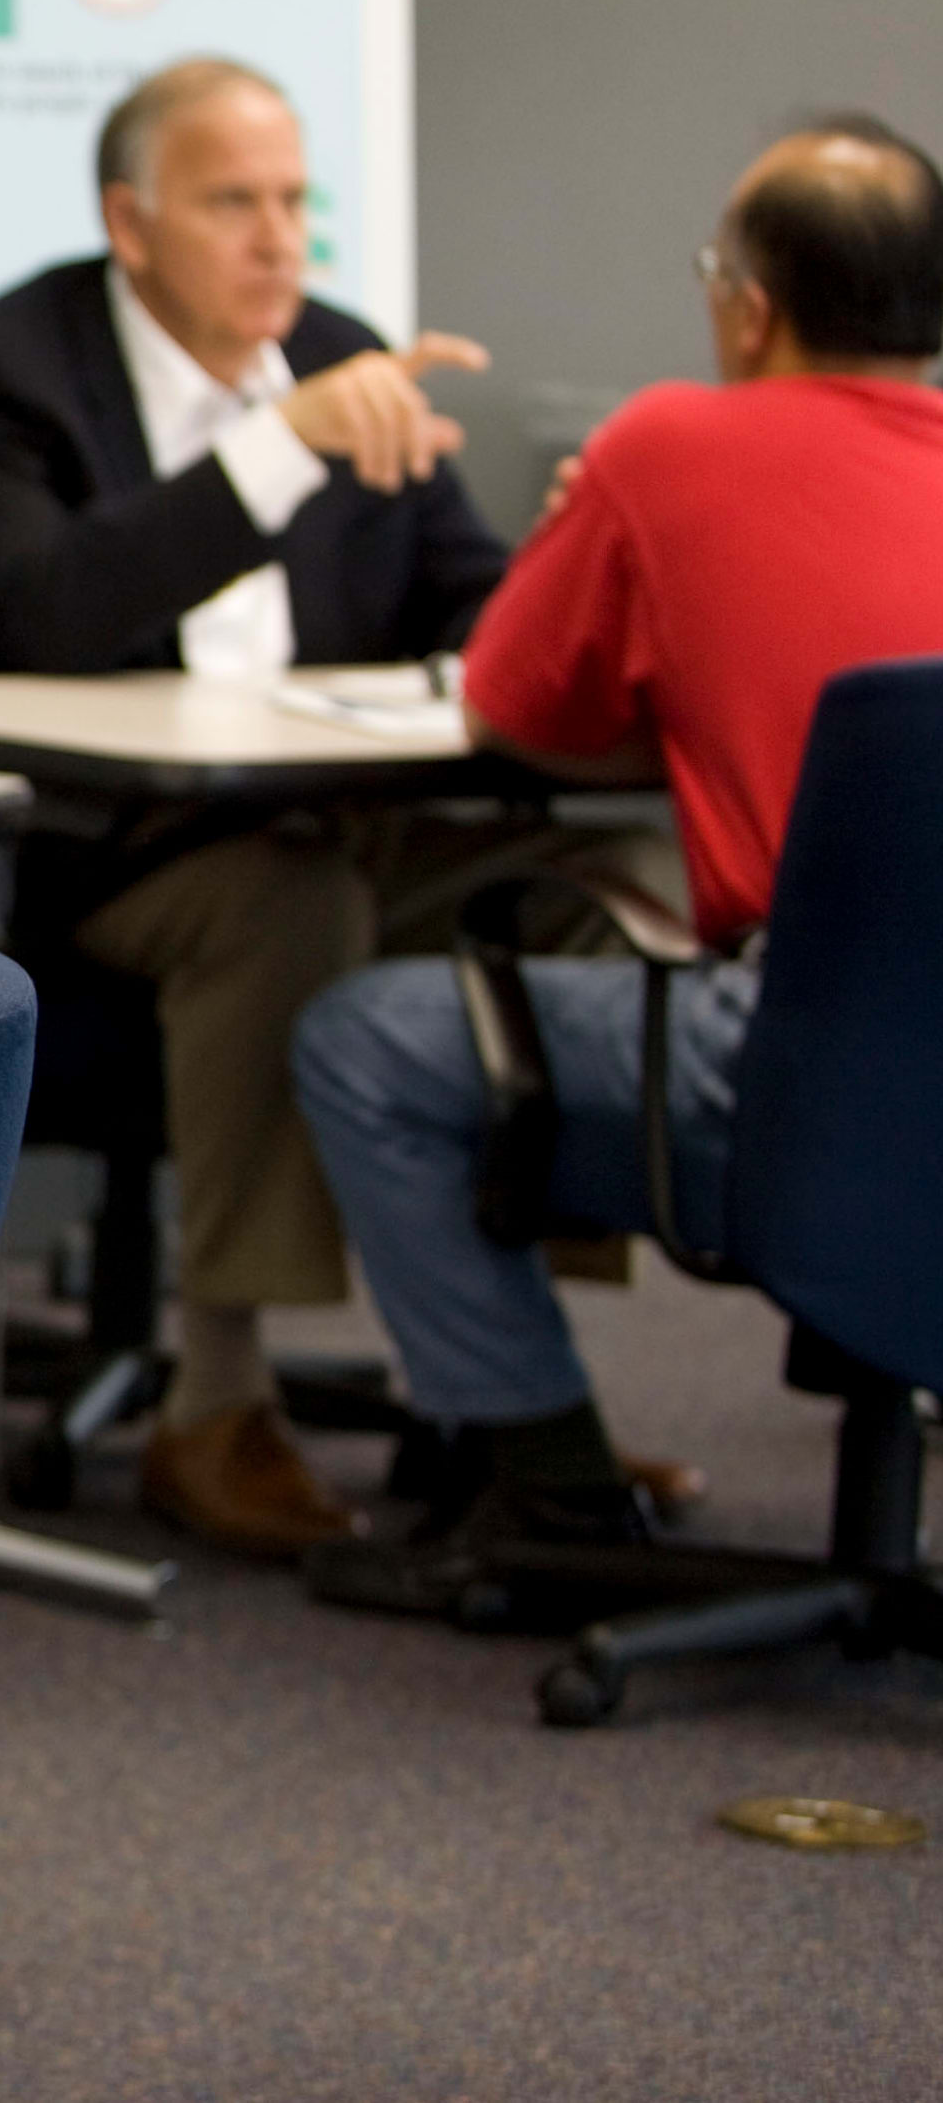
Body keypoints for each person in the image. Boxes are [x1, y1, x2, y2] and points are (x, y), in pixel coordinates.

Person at [0, 53, 602, 1559]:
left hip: (332, 808)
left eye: (293, 200)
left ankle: (521, 1399)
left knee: (577, 887)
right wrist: (280, 448)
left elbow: (467, 601)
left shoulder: (337, 352)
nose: (280, 240)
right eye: (233, 204)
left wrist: (569, 560)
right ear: (130, 224)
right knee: (290, 902)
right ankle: (220, 1401)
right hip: (112, 856)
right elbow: (43, 613)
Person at [293, 119, 943, 1610]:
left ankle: (551, 1490)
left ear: (751, 307)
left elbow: (514, 705)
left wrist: (618, 551)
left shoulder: (669, 443)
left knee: (368, 1037)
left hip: (801, 1067)